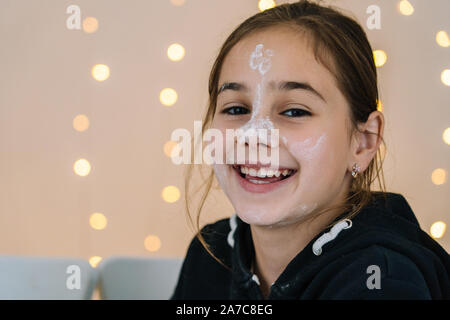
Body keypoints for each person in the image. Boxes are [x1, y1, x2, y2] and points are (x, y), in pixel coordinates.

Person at [170, 0, 450, 299]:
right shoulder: (212, 253)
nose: (253, 135)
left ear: (364, 141)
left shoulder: (381, 279)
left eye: (294, 112)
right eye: (236, 108)